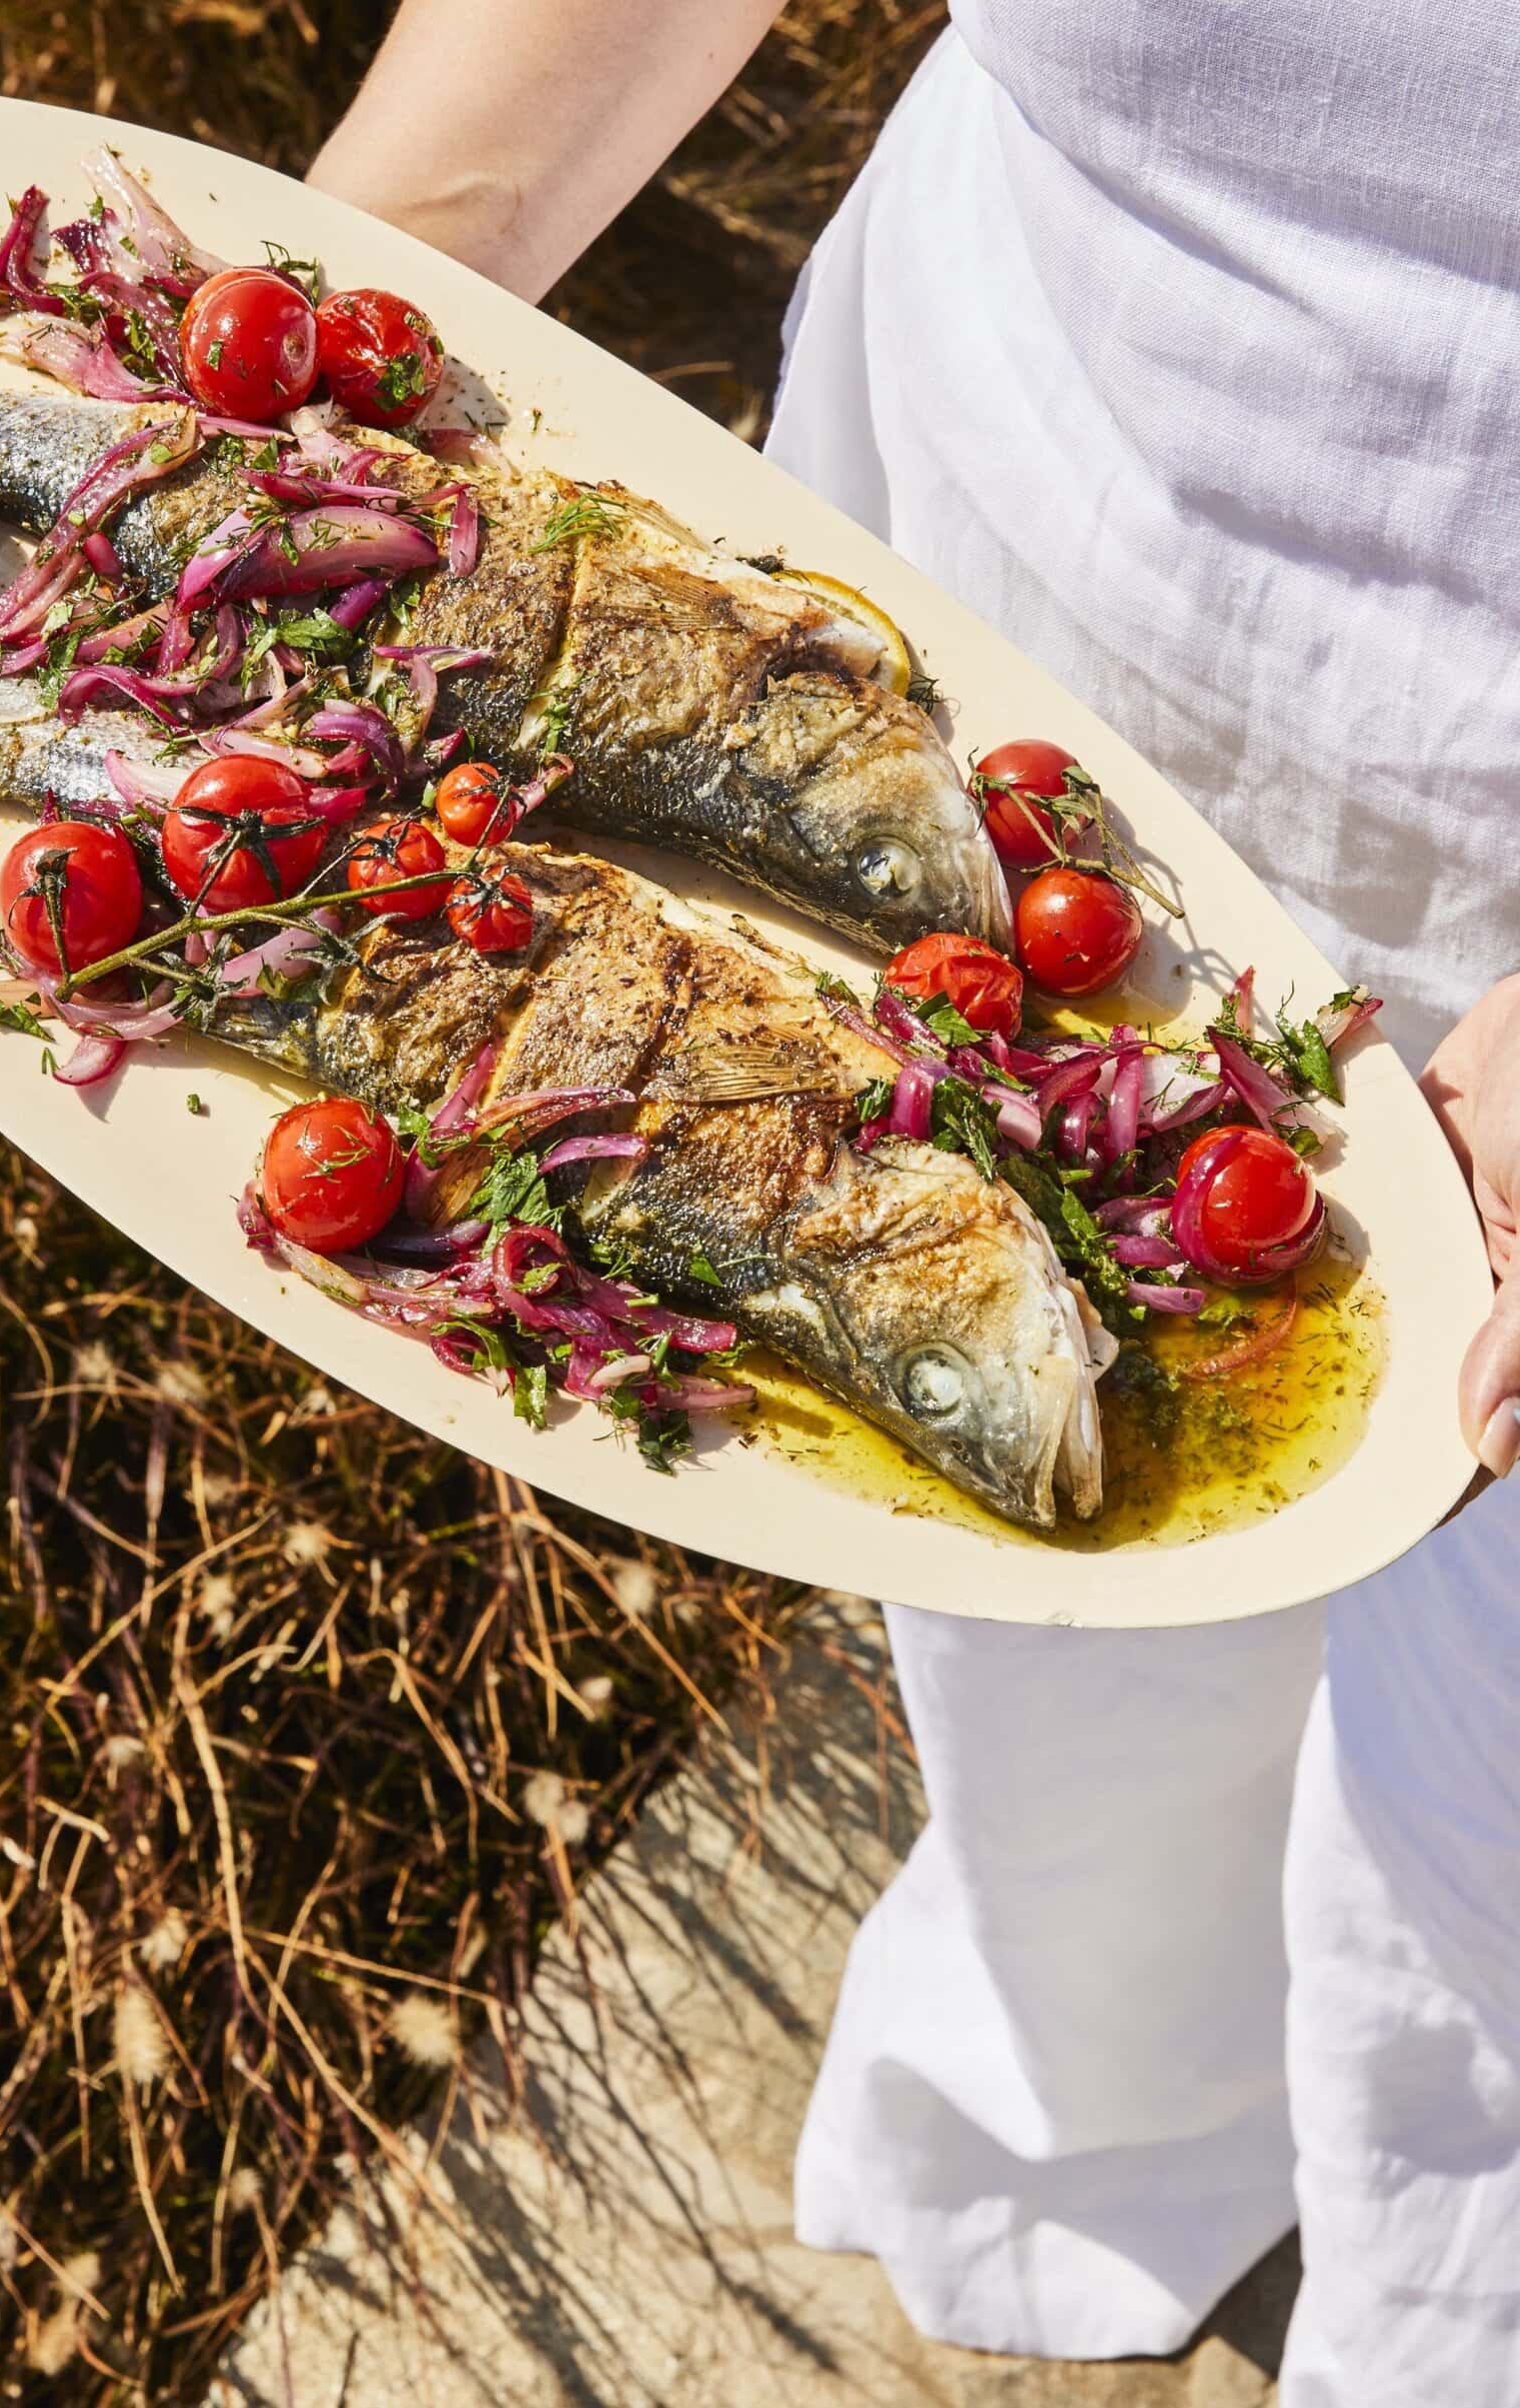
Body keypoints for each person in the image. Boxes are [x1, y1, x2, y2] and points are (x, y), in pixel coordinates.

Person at [309, 3, 1520, 2398]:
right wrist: (366, 301)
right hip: (1019, 574)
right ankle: (1106, 2116)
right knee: (1059, 1586)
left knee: (1491, 1827)